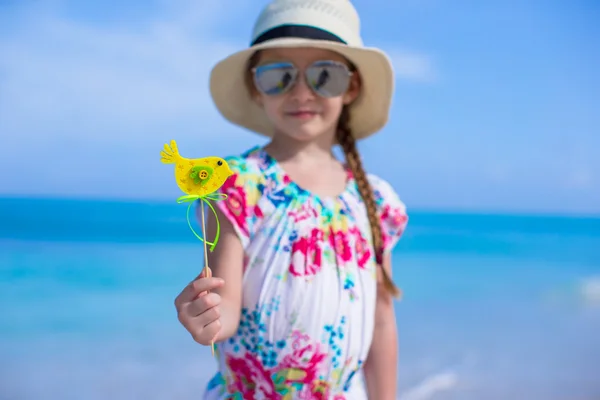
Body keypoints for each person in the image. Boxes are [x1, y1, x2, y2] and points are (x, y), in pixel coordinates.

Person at [174, 0, 409, 398]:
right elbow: (226, 308)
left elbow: (381, 322)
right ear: (255, 86)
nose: (301, 91)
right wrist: (205, 318)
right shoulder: (234, 184)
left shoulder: (377, 200)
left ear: (351, 86)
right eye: (279, 75)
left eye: (324, 75)